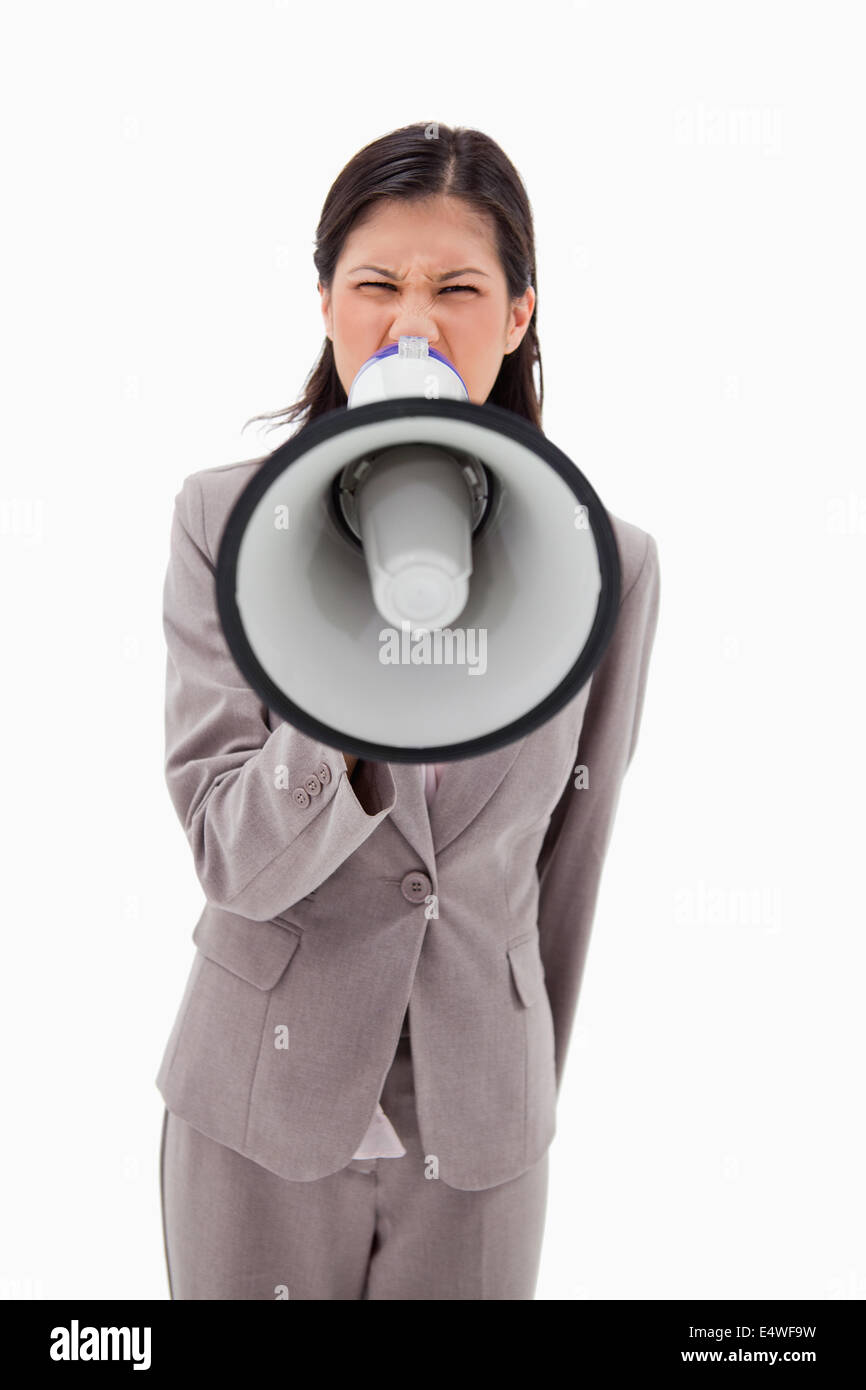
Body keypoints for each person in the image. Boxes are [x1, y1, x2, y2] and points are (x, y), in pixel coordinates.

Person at [156, 121, 661, 1300]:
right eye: (376, 283)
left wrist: (516, 1086)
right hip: (255, 1115)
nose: (413, 324)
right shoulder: (225, 527)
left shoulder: (605, 565)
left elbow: (565, 876)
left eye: (458, 289)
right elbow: (230, 852)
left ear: (520, 316)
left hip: (479, 1138)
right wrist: (346, 686)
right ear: (325, 299)